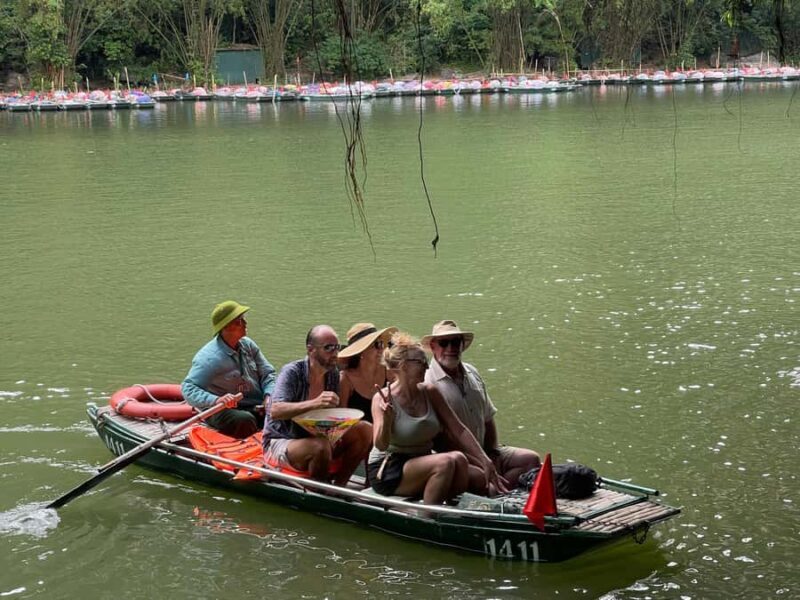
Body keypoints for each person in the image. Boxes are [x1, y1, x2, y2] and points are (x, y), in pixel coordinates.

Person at [368, 332, 502, 504]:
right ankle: (429, 516)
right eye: (420, 362)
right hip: (389, 466)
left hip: (421, 458)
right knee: (445, 462)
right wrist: (387, 419)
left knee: (463, 463)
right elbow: (380, 444)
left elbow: (458, 429)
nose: (426, 366)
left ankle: (451, 507)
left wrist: (485, 460)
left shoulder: (430, 392)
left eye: (426, 361)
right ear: (403, 366)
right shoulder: (382, 398)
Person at [423, 320, 540, 489]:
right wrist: (479, 460)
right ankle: (495, 494)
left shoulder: (472, 372)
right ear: (433, 346)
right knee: (487, 485)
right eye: (444, 343)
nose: (451, 348)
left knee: (531, 460)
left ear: (462, 345)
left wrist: (491, 453)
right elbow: (439, 439)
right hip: (459, 457)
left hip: (485, 450)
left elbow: (488, 417)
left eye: (456, 342)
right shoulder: (428, 382)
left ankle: (504, 492)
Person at [262, 325, 372, 486]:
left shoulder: (333, 374)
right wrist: (315, 403)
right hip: (282, 440)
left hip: (316, 436)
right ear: (311, 350)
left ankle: (340, 486)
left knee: (365, 429)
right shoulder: (292, 372)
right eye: (328, 348)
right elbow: (275, 411)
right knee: (321, 446)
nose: (335, 353)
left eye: (337, 347)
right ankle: (318, 489)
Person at [182, 301, 277, 439]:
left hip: (254, 404)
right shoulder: (209, 358)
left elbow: (268, 374)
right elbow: (188, 388)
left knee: (283, 410)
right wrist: (216, 400)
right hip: (222, 409)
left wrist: (269, 396)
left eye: (244, 319)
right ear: (225, 327)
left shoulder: (248, 345)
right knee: (244, 420)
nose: (245, 323)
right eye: (239, 321)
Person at [337, 323, 398, 423]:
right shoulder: (345, 379)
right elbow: (340, 418)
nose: (381, 349)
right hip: (358, 433)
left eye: (382, 343)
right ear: (361, 352)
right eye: (376, 345)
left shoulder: (389, 372)